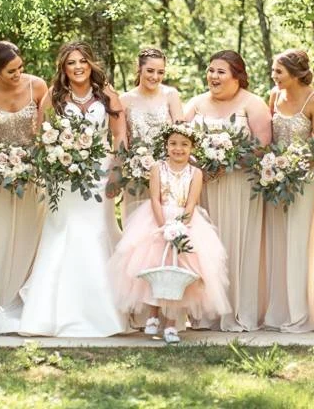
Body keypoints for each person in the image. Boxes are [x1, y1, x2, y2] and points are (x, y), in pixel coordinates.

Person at [0, 41, 128, 337]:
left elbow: (120, 136)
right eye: (71, 63)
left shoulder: (108, 95)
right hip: (63, 176)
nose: (78, 67)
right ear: (63, 68)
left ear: (91, 64)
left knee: (95, 233)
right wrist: (57, 156)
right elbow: (42, 135)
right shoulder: (54, 96)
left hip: (98, 176)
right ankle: (53, 312)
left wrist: (116, 171)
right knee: (62, 233)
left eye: (82, 62)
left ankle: (101, 310)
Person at [108, 122, 230, 343]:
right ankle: (153, 315)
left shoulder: (196, 173)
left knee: (178, 272)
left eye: (184, 144)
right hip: (156, 220)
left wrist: (180, 226)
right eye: (173, 143)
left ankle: (172, 323)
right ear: (166, 145)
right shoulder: (157, 168)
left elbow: (192, 202)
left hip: (186, 222)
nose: (178, 148)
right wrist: (163, 225)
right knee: (154, 267)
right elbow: (154, 197)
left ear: (192, 147)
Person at [183, 50, 271, 331]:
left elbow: (262, 146)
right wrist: (202, 163)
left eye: (220, 71)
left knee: (236, 242)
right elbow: (178, 140)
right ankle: (206, 311)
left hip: (240, 187)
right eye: (210, 70)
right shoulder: (195, 104)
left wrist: (227, 161)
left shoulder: (253, 103)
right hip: (204, 186)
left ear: (237, 76)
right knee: (205, 246)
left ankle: (237, 310)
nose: (213, 76)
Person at [0, 41, 48, 333]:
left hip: (33, 173)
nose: (18, 74)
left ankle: (29, 305)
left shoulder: (38, 87)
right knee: (1, 238)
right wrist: (1, 163)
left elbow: (45, 131)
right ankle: (0, 305)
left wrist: (30, 161)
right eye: (11, 71)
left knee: (32, 236)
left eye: (20, 68)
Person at [264, 49, 314, 332]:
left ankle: (300, 314)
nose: (274, 76)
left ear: (295, 73)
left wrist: (296, 166)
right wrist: (274, 167)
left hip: (305, 180)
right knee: (279, 242)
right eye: (274, 71)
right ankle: (278, 312)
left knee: (299, 241)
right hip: (275, 179)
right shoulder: (274, 96)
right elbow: (269, 137)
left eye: (279, 71)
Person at [119, 48, 183, 223]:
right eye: (150, 70)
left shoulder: (171, 95)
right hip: (137, 176)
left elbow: (181, 136)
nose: (155, 76)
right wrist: (123, 169)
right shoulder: (124, 100)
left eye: (160, 72)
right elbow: (121, 142)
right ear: (139, 69)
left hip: (169, 175)